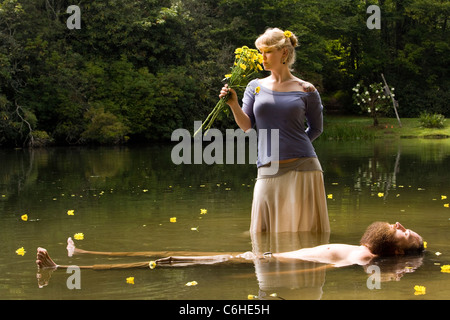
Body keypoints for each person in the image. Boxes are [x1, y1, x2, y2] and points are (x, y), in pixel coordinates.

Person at [219, 28, 329, 233]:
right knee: (262, 232)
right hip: (268, 167)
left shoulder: (307, 90)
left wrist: (294, 146)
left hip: (305, 168)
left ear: (284, 53)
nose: (262, 57)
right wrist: (233, 104)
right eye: (260, 52)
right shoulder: (255, 87)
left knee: (306, 234)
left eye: (267, 51)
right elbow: (246, 125)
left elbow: (317, 128)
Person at [36, 222, 424, 271]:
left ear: (398, 251)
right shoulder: (364, 249)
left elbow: (320, 267)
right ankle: (84, 255)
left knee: (174, 260)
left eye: (406, 234)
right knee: (175, 255)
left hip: (264, 260)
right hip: (264, 257)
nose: (400, 226)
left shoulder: (367, 257)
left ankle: (64, 269)